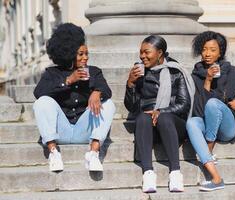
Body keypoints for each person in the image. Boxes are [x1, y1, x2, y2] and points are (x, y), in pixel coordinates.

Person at [33, 23, 115, 172]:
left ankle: (93, 154)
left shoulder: (94, 72)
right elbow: (39, 93)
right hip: (60, 131)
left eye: (87, 53)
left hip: (84, 131)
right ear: (69, 54)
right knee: (42, 102)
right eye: (81, 54)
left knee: (108, 104)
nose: (85, 58)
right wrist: (68, 81)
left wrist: (97, 92)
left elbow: (106, 90)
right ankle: (53, 153)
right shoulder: (53, 73)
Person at [124, 35, 195, 193]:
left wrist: (161, 111)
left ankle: (175, 172)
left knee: (163, 117)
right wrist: (130, 84)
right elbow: (131, 107)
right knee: (142, 117)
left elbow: (184, 104)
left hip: (173, 124)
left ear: (160, 53)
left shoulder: (176, 72)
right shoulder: (140, 72)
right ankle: (148, 172)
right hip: (149, 125)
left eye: (147, 52)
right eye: (141, 52)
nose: (142, 56)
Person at [186, 31, 235, 191]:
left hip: (227, 127)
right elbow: (199, 108)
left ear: (220, 52)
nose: (207, 53)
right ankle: (216, 178)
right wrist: (208, 80)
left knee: (214, 104)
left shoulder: (233, 72)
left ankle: (208, 147)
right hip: (205, 120)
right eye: (204, 49)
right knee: (192, 122)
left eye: (212, 50)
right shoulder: (196, 75)